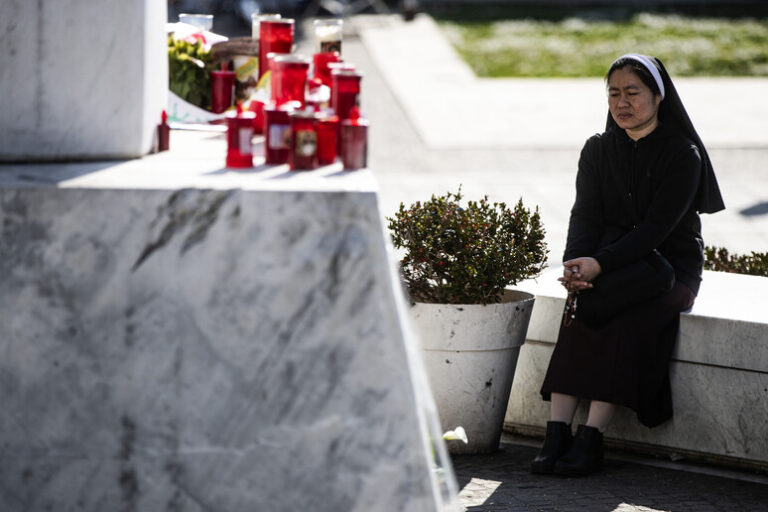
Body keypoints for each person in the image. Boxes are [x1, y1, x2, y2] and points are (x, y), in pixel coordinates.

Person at [531, 54, 725, 477]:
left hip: (670, 270)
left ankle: (591, 439)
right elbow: (585, 215)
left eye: (633, 92)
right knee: (580, 310)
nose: (623, 102)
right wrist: (577, 266)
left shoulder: (682, 153)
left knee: (624, 318)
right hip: (611, 261)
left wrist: (600, 263)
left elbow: (656, 230)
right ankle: (557, 433)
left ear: (658, 96)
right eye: (614, 93)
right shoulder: (598, 149)